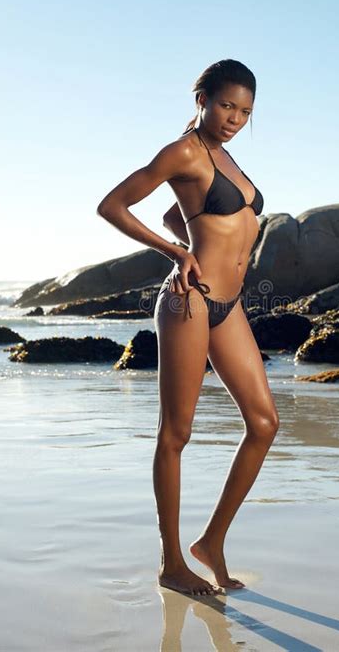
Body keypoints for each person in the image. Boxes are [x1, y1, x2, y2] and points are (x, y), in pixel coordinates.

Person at [97, 59, 280, 597]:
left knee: (264, 423)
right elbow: (113, 205)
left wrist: (186, 232)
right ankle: (172, 562)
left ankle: (212, 543)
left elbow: (191, 214)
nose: (234, 119)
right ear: (201, 99)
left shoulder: (225, 157)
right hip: (190, 303)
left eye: (245, 111)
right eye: (226, 106)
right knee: (176, 434)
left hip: (231, 303)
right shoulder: (183, 151)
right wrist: (176, 251)